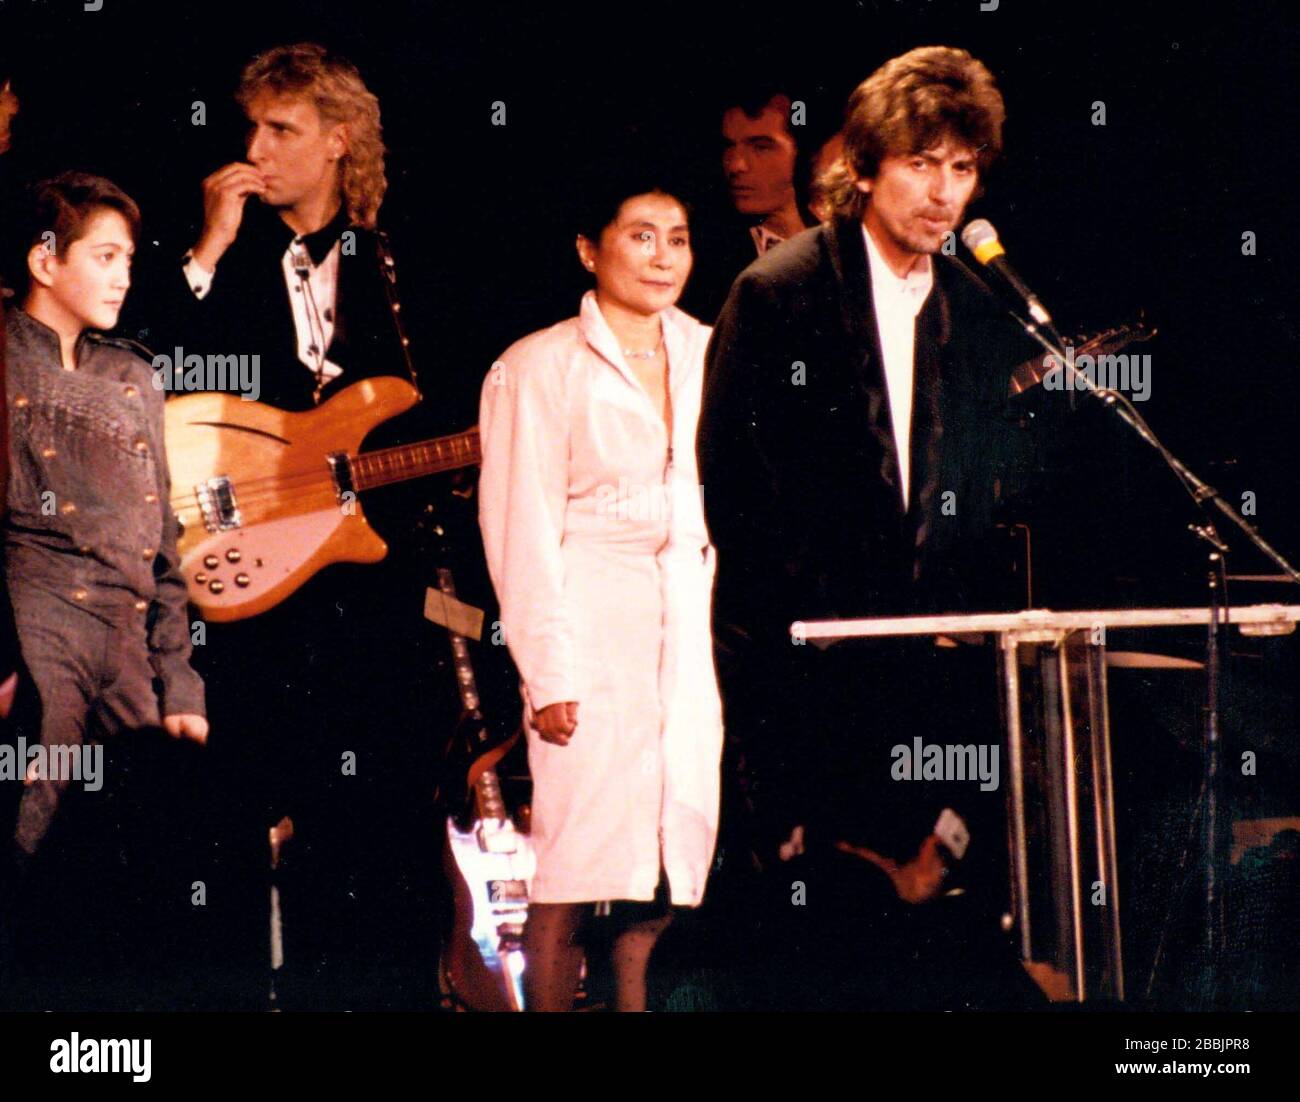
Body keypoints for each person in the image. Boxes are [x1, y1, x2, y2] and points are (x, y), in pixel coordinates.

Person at [698, 46, 1041, 1009]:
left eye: (963, 169)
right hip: (814, 707)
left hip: (936, 716)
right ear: (864, 168)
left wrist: (961, 793)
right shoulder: (780, 294)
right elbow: (739, 514)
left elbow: (982, 521)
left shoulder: (975, 306)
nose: (945, 193)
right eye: (921, 164)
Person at [140, 42, 454, 1008]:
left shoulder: (402, 262)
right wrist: (207, 246)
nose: (256, 148)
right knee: (231, 820)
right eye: (251, 129)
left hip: (369, 600)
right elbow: (144, 374)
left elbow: (436, 411)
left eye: (282, 130)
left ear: (338, 141)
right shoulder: (215, 260)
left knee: (379, 826)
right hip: (246, 594)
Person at [477, 173, 723, 1011]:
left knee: (660, 873)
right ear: (591, 249)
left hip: (688, 633)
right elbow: (520, 529)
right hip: (589, 632)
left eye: (679, 236)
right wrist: (549, 676)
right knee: (574, 873)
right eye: (641, 235)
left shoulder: (711, 349)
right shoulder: (536, 365)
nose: (663, 256)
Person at [0, 173, 207, 1003]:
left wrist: (179, 680)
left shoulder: (133, 376)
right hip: (36, 611)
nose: (124, 274)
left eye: (128, 257)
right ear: (44, 261)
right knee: (31, 822)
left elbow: (164, 548)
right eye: (105, 255)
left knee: (159, 842)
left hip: (127, 639)